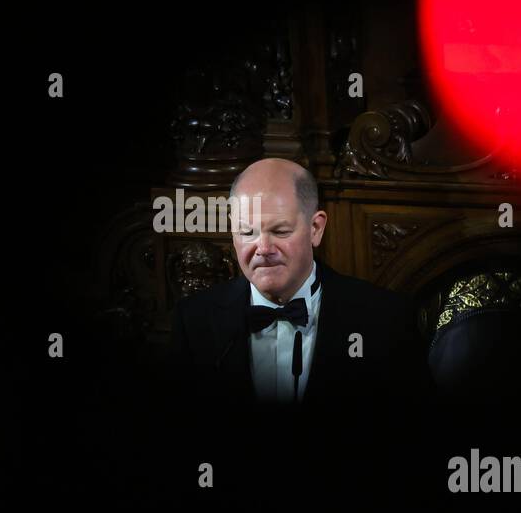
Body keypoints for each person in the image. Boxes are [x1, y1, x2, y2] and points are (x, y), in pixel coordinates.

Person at [168, 158, 431, 413]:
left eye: (280, 231)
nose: (263, 249)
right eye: (247, 232)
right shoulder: (194, 320)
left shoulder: (385, 318)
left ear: (315, 228)